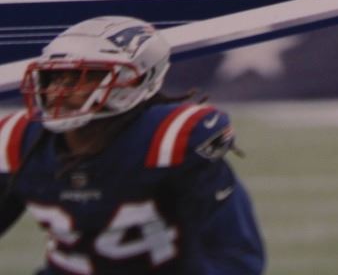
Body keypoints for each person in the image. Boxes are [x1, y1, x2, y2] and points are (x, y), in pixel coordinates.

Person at [0, 16, 265, 274]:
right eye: (55, 76)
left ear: (136, 80)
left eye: (82, 76)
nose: (60, 90)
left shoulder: (169, 141)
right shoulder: (19, 142)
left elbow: (235, 256)